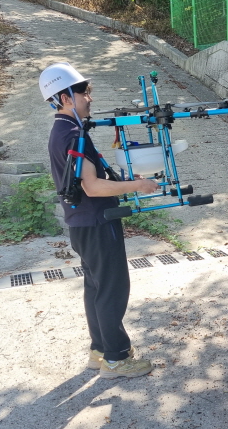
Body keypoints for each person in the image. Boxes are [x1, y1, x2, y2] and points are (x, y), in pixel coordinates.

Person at [40, 62, 159, 378]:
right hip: (97, 221)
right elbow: (91, 187)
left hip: (82, 225)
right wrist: (138, 185)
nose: (89, 98)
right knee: (112, 289)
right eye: (83, 92)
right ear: (65, 97)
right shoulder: (73, 135)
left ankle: (100, 351)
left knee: (95, 288)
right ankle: (117, 359)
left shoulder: (63, 132)